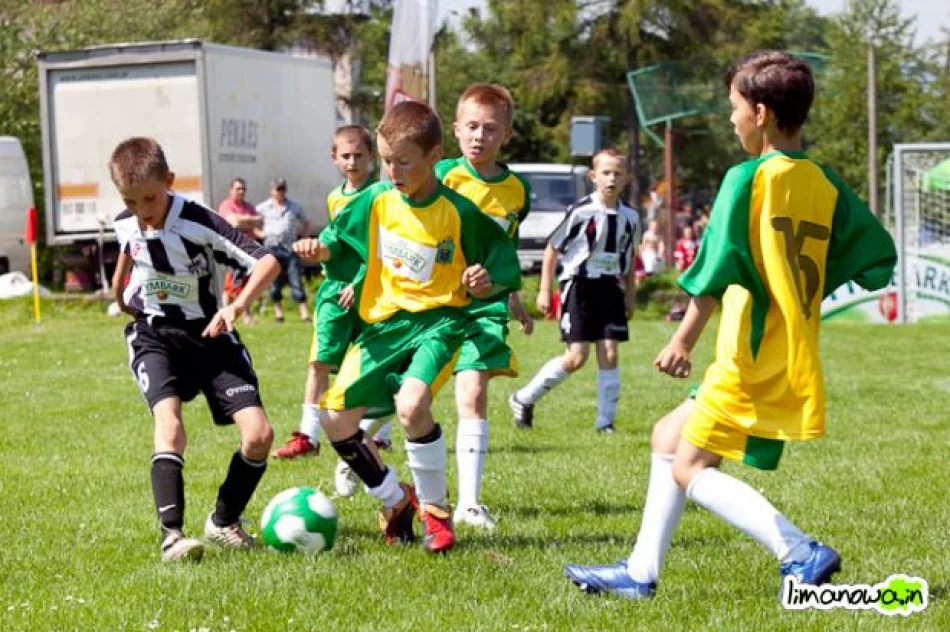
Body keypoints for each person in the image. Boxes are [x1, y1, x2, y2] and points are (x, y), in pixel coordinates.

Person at [562, 51, 898, 602]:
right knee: (668, 437)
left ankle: (799, 551)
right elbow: (877, 253)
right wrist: (800, 288)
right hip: (789, 345)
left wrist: (681, 339)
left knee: (690, 466)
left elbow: (715, 271)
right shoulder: (825, 183)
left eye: (733, 108)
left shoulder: (747, 179)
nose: (731, 118)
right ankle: (640, 572)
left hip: (749, 350)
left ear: (760, 113)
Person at [293, 101, 521, 554]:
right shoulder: (376, 200)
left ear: (434, 155)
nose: (392, 171)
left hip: (439, 323)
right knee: (333, 420)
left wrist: (484, 282)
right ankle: (395, 499)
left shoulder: (459, 212)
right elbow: (340, 240)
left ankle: (436, 514)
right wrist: (320, 250)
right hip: (383, 327)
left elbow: (498, 264)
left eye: (403, 161)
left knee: (412, 407)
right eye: (385, 160)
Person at [108, 137, 281, 562]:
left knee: (259, 435)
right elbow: (127, 258)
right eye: (130, 201)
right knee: (169, 424)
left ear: (169, 181)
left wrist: (237, 306)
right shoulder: (125, 222)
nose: (142, 210)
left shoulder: (198, 220)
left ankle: (223, 521)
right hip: (155, 337)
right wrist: (121, 295)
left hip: (209, 334)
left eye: (149, 198)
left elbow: (267, 261)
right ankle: (172, 535)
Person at [273, 126, 395, 495]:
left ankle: (376, 434)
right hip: (336, 291)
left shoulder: (381, 194)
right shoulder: (334, 198)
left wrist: (362, 283)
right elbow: (336, 242)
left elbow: (384, 247)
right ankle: (308, 435)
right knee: (319, 360)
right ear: (334, 158)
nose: (352, 162)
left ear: (371, 157)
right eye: (345, 156)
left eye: (359, 155)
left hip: (372, 292)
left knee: (377, 367)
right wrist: (316, 250)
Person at [434, 83, 533, 531]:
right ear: (456, 129)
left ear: (506, 135)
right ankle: (363, 451)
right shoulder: (440, 176)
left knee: (472, 392)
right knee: (407, 395)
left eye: (490, 129)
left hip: (485, 307)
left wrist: (510, 294)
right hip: (434, 303)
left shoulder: (517, 190)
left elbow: (504, 248)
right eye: (471, 126)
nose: (479, 136)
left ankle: (469, 505)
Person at [509, 148, 641, 434]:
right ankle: (524, 398)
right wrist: (545, 290)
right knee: (576, 357)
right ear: (593, 176)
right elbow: (552, 248)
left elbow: (630, 258)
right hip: (579, 286)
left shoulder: (631, 217)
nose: (612, 179)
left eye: (618, 174)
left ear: (627, 178)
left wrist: (630, 295)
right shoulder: (581, 212)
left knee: (610, 352)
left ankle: (605, 423)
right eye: (606, 173)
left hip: (610, 287)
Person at [256, 178, 311, 322]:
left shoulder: (294, 207)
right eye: (278, 189)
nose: (280, 191)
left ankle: (304, 314)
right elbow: (254, 223)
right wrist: (259, 233)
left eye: (282, 188)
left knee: (296, 279)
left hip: (289, 248)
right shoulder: (263, 207)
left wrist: (303, 239)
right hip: (271, 248)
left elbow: (306, 223)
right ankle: (279, 314)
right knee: (274, 282)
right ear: (272, 191)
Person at [217, 177, 264, 324]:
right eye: (238, 188)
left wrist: (244, 220)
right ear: (231, 190)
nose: (241, 191)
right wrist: (250, 220)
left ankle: (239, 315)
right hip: (232, 252)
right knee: (233, 285)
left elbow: (258, 223)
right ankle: (232, 315)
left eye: (243, 189)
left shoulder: (248, 206)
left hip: (248, 252)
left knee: (242, 285)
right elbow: (234, 223)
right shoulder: (225, 205)